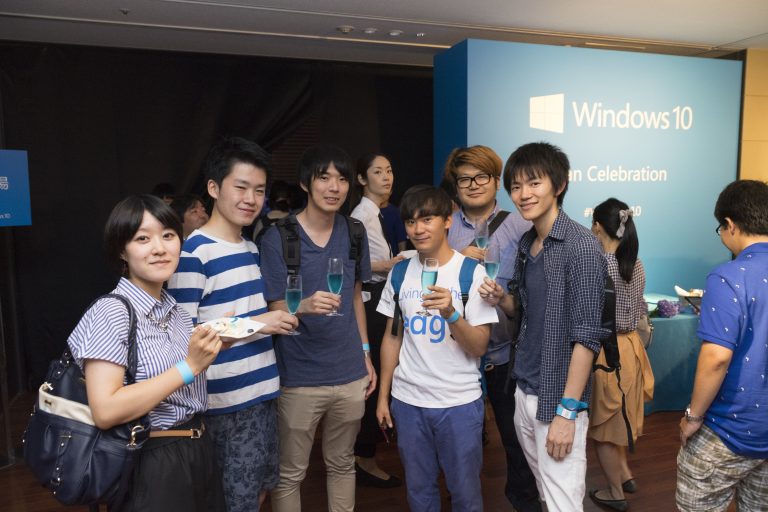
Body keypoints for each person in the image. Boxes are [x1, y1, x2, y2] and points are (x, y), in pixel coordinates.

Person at [67, 194, 225, 511]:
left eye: (168, 235)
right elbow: (106, 410)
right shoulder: (110, 313)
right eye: (142, 238)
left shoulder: (177, 311)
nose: (159, 248)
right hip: (150, 459)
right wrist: (188, 367)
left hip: (198, 449)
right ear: (122, 250)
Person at [167, 137, 298, 512]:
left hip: (262, 393)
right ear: (213, 187)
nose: (251, 199)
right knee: (233, 501)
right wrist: (261, 323)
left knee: (259, 491)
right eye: (240, 187)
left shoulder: (251, 248)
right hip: (225, 403)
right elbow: (184, 337)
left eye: (259, 190)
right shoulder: (193, 254)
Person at [480, 142, 607, 512]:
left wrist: (568, 412)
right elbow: (528, 313)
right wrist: (501, 300)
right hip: (523, 388)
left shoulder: (581, 246)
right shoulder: (526, 243)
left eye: (534, 183)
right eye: (516, 186)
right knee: (545, 493)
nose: (523, 194)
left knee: (563, 502)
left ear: (560, 184)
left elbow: (587, 335)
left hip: (557, 398)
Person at [260, 144, 376, 512]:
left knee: (342, 464)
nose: (334, 187)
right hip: (298, 376)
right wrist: (306, 305)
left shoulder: (355, 232)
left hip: (349, 373)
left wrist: (366, 356)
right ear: (305, 183)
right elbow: (272, 305)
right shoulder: (279, 237)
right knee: (291, 472)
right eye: (324, 177)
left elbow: (356, 297)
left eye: (342, 179)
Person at [376, 184, 497, 512]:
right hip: (408, 402)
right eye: (411, 222)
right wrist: (384, 396)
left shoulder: (471, 273)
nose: (418, 229)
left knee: (466, 495)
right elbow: (392, 337)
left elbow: (479, 345)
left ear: (448, 220)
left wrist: (451, 314)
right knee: (419, 493)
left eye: (427, 219)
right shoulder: (400, 273)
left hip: (457, 403)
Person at [443, 145, 540, 511]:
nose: (472, 184)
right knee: (460, 441)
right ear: (455, 185)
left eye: (480, 176)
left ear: (496, 181)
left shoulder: (520, 223)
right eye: (464, 178)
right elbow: (425, 274)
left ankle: (524, 502)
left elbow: (535, 286)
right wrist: (455, 259)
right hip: (457, 352)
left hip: (505, 351)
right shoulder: (446, 225)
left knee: (515, 440)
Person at [677, 180, 768, 511]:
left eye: (720, 228)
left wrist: (692, 416)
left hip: (728, 431)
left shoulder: (728, 276)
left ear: (730, 224)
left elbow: (716, 358)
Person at [588, 198, 655, 511]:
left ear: (598, 226)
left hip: (607, 351)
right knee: (621, 416)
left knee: (603, 430)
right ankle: (625, 473)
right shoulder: (635, 263)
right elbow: (640, 309)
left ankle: (615, 493)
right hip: (632, 348)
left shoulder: (599, 265)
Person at [350, 152, 405, 487]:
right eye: (377, 172)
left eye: (389, 170)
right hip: (369, 305)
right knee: (374, 379)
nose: (386, 177)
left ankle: (366, 453)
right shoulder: (360, 216)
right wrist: (396, 263)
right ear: (361, 179)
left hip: (382, 298)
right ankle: (363, 457)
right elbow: (357, 268)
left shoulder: (376, 213)